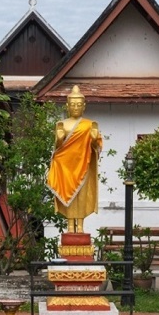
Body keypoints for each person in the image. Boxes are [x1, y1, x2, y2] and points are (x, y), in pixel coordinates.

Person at [46, 85, 103, 234]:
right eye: (72, 105)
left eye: (78, 105)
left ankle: (81, 226)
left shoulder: (89, 125)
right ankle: (70, 226)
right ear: (67, 106)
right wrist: (59, 139)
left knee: (81, 196)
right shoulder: (62, 124)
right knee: (69, 196)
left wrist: (94, 138)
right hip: (66, 167)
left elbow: (96, 147)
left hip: (83, 165)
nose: (76, 107)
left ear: (84, 106)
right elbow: (58, 148)